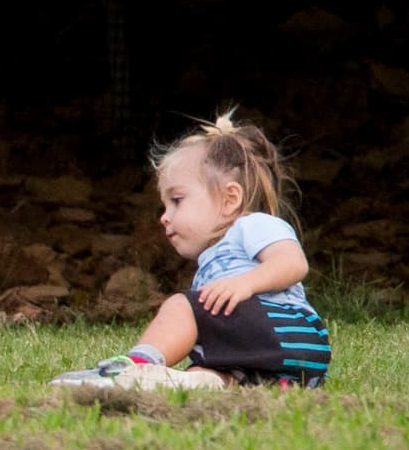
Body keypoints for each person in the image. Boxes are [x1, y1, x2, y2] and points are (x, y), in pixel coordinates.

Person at [51, 110, 331, 390]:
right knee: (202, 369)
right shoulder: (215, 259)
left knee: (182, 306)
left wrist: (245, 284)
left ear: (230, 199)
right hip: (291, 362)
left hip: (286, 331)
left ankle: (134, 367)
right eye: (164, 205)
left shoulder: (253, 224)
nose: (164, 216)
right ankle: (203, 382)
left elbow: (293, 263)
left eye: (177, 200)